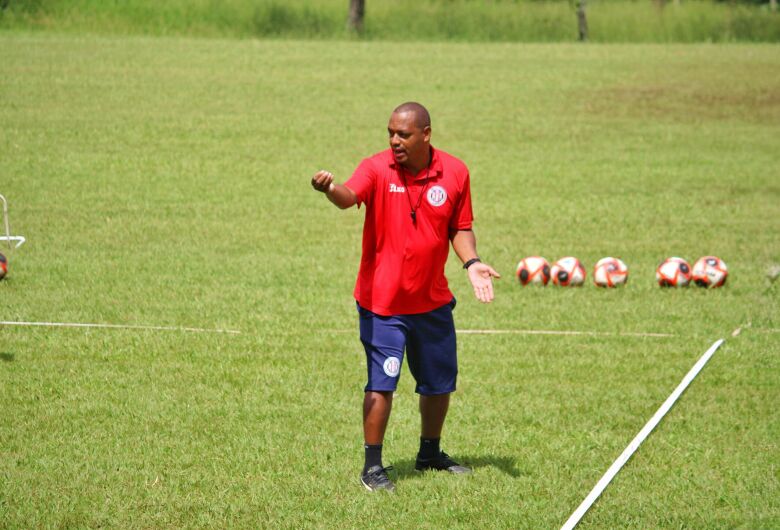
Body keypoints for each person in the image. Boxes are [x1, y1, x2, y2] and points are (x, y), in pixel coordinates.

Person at [311, 102, 500, 492]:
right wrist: (330, 188)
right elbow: (349, 196)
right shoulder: (377, 167)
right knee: (383, 382)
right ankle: (372, 467)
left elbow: (459, 228)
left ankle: (430, 453)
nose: (394, 141)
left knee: (438, 383)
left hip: (431, 301)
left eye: (403, 135)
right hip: (383, 304)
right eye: (391, 133)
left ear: (426, 135)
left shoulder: (455, 172)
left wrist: (472, 262)